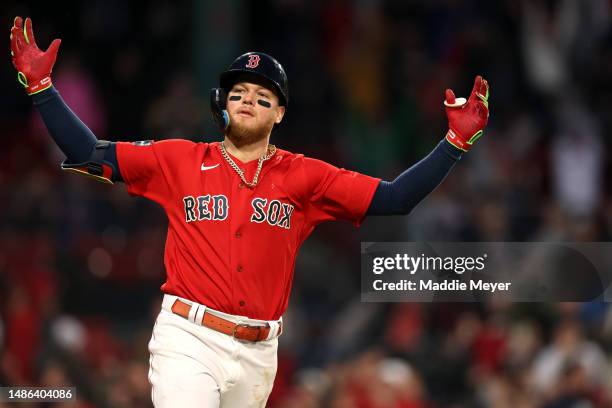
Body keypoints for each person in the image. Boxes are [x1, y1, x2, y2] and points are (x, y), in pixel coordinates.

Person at [10, 16, 490, 408]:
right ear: (223, 105)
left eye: (262, 97)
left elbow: (394, 198)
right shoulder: (179, 159)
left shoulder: (304, 176)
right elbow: (90, 151)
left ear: (278, 114)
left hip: (260, 352)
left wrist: (453, 145)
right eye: (238, 93)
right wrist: (42, 89)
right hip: (189, 338)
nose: (247, 101)